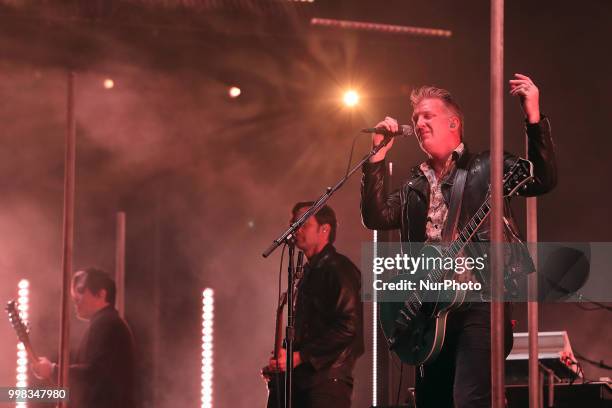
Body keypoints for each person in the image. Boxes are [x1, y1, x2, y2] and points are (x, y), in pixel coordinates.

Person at [360, 74, 557, 407]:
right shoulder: (414, 185)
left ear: (453, 123)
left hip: (478, 302)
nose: (418, 123)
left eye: (427, 116)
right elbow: (375, 216)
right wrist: (376, 158)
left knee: (469, 399)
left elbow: (542, 177)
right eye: (414, 119)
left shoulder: (485, 166)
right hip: (428, 311)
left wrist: (533, 117)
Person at [267, 202, 364, 408]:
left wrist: (300, 357)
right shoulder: (307, 272)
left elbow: (349, 327)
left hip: (326, 383)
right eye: (293, 223)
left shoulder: (339, 269)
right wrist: (284, 363)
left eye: (303, 224)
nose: (295, 229)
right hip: (303, 382)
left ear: (324, 229)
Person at [32, 268, 136, 408]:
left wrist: (53, 370)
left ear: (101, 294)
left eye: (81, 290)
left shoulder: (107, 324)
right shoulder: (107, 323)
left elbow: (95, 375)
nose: (75, 298)